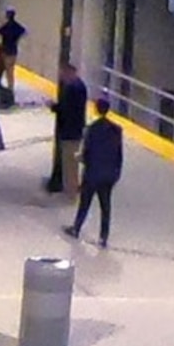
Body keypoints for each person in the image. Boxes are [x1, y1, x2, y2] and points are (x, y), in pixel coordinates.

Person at [71, 95, 125, 245]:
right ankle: (103, 237)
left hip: (92, 174)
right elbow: (119, 154)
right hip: (108, 174)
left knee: (85, 203)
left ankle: (76, 228)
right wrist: (116, 173)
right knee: (105, 206)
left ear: (96, 108)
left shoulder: (91, 130)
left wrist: (80, 159)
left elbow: (87, 153)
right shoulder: (116, 130)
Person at [47, 62, 88, 192]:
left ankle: (70, 191)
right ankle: (70, 188)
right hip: (73, 129)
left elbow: (67, 109)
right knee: (69, 162)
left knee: (70, 163)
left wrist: (54, 107)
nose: (61, 77)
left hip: (70, 130)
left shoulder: (73, 89)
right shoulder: (77, 87)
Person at [0, 8, 27, 105]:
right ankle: (10, 88)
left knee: (2, 70)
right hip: (13, 51)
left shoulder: (5, 27)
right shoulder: (17, 27)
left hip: (5, 51)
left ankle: (5, 91)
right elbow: (23, 31)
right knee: (10, 71)